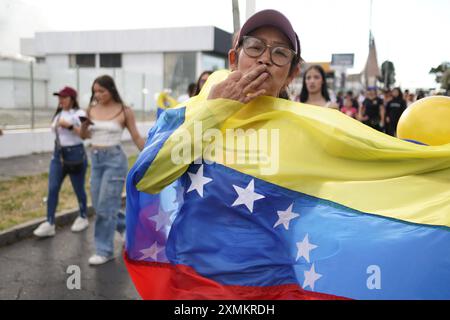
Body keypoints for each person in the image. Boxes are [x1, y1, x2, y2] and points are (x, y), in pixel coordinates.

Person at [80, 75, 145, 265]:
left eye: (102, 91)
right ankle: (126, 228)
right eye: (95, 91)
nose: (98, 95)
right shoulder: (90, 109)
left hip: (115, 161)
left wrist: (152, 155)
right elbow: (83, 136)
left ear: (111, 90)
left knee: (105, 208)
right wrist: (83, 127)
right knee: (100, 205)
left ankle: (105, 250)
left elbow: (136, 137)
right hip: (96, 161)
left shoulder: (124, 110)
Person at [33, 86, 89, 237]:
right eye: (59, 97)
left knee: (78, 188)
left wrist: (70, 126)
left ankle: (83, 216)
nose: (61, 100)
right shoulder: (58, 114)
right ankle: (49, 222)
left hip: (76, 155)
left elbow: (85, 135)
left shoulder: (80, 114)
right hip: (58, 155)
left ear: (72, 99)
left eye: (64, 97)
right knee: (52, 188)